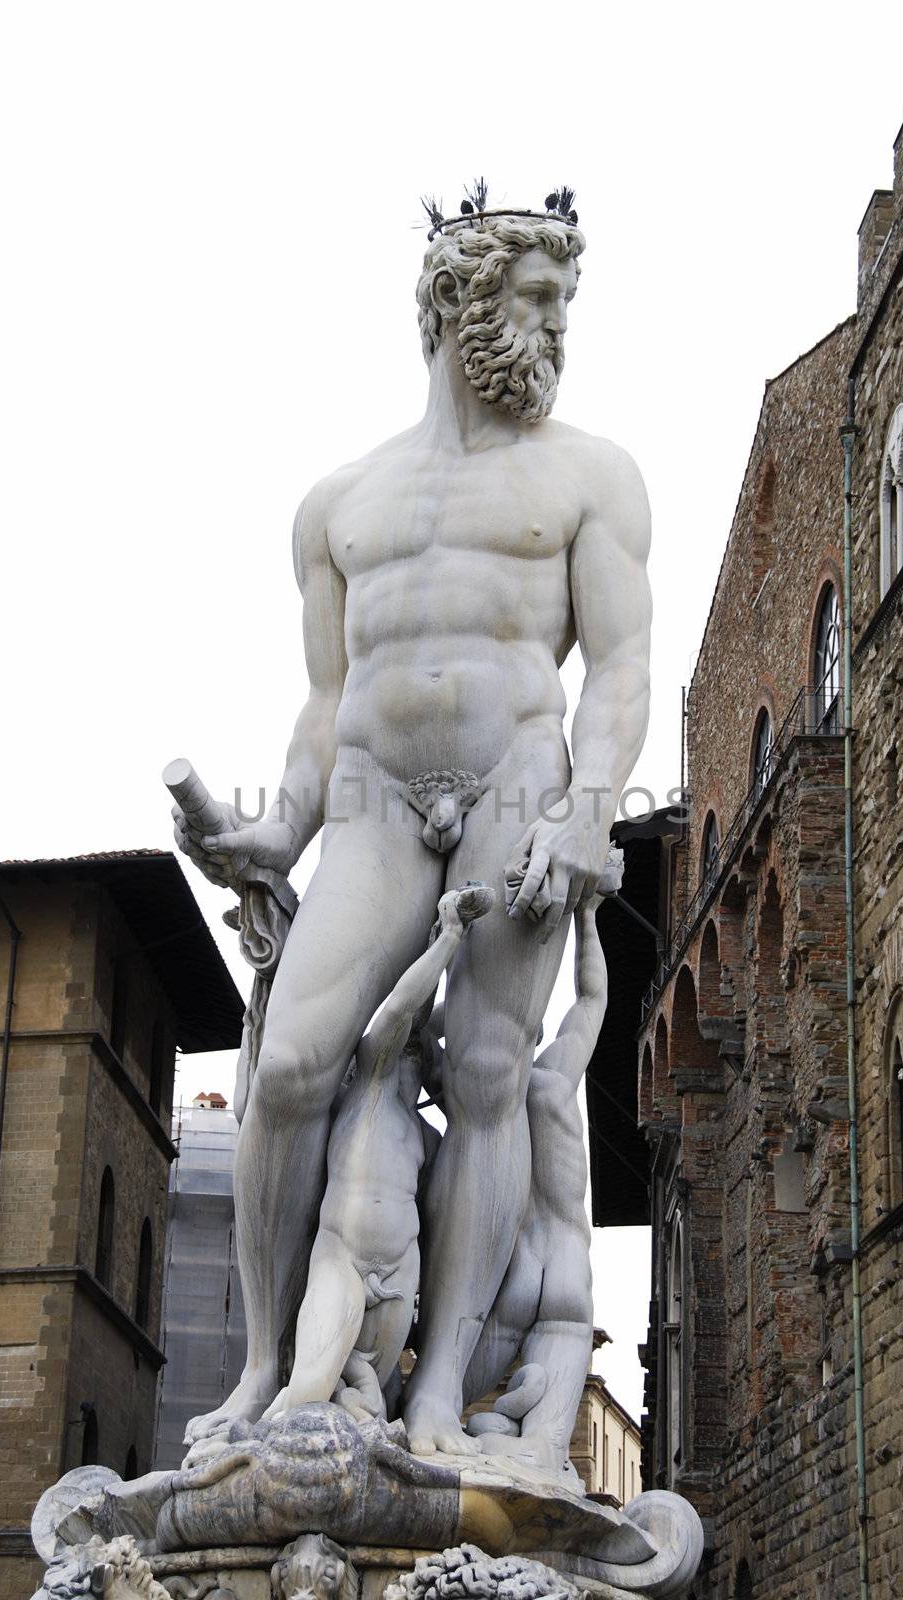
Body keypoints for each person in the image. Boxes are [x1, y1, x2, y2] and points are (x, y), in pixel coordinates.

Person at [174, 195, 651, 1455]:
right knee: (287, 1064)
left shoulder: (591, 475)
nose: (559, 326)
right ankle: (272, 1367)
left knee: (489, 1074)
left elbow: (619, 671)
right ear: (459, 301)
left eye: (565, 302)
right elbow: (326, 703)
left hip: (515, 785)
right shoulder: (339, 503)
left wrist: (585, 812)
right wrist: (277, 832)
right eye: (538, 298)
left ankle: (439, 1386)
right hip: (380, 800)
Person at [265, 884, 492, 1424]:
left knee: (371, 1404)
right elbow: (396, 1014)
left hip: (399, 1271)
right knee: (312, 1387)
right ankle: (255, 1439)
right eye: (411, 1046)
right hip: (341, 1260)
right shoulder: (365, 1089)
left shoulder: (425, 1137)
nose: (413, 1054)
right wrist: (447, 940)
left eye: (422, 1052)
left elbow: (450, 1215)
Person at [463, 887, 611, 1469]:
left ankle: (471, 1429)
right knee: (546, 1454)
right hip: (568, 1268)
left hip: (515, 1269)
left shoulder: (481, 1090)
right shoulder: (553, 1082)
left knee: (439, 1409)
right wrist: (588, 913)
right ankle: (514, 1437)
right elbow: (593, 998)